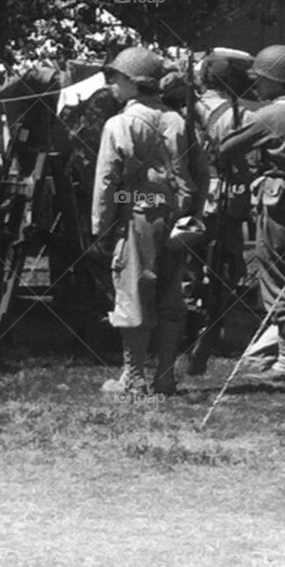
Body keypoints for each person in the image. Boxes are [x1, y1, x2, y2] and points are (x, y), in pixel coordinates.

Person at [91, 47, 197, 396]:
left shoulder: (119, 123)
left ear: (134, 82)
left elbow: (107, 181)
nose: (112, 84)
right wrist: (193, 217)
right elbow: (202, 172)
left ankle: (134, 378)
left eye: (117, 77)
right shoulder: (179, 120)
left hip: (137, 215)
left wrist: (101, 227)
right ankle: (165, 377)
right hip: (176, 218)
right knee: (171, 297)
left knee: (134, 293)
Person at [219, 44, 285, 381]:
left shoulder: (271, 115)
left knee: (281, 280)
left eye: (260, 80)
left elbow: (224, 148)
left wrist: (247, 177)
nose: (256, 86)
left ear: (271, 80)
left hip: (282, 206)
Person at [186, 50, 257, 375]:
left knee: (187, 270)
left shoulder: (187, 108)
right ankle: (207, 333)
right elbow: (245, 165)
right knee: (223, 275)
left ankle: (186, 334)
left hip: (191, 198)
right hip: (226, 200)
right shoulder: (239, 114)